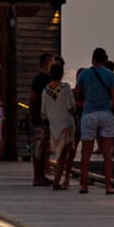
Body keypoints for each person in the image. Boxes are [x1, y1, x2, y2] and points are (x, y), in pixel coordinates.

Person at [72, 47, 114, 194]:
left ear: (92, 59)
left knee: (86, 153)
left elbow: (77, 93)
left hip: (89, 114)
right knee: (107, 154)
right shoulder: (111, 75)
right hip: (106, 114)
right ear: (105, 60)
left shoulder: (84, 74)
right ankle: (108, 186)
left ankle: (84, 186)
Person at [40, 65, 77, 188]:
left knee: (59, 154)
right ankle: (56, 181)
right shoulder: (65, 88)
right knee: (63, 155)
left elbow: (43, 112)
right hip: (67, 125)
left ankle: (58, 180)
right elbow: (71, 106)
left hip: (54, 126)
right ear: (62, 74)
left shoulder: (45, 90)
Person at [28, 55, 63, 185]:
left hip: (49, 118)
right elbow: (33, 97)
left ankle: (42, 175)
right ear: (46, 64)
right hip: (40, 118)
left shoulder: (50, 79)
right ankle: (37, 177)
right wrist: (31, 114)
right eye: (52, 62)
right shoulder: (39, 79)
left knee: (44, 148)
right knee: (39, 146)